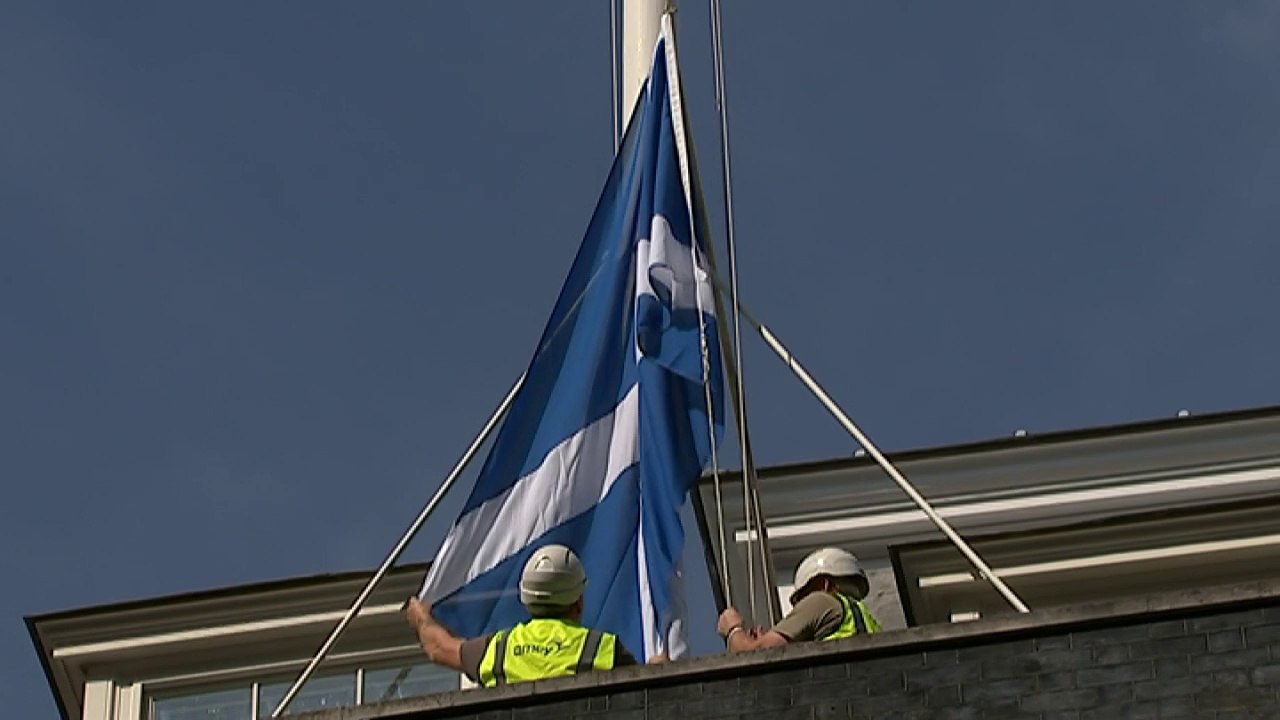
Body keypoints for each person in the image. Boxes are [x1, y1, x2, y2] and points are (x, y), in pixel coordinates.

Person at [405, 544, 638, 685]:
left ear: (526, 601)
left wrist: (421, 617)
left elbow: (439, 648)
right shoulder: (603, 648)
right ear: (578, 602)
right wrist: (659, 669)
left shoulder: (498, 650)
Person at [717, 547, 882, 652]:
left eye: (802, 599)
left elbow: (753, 655)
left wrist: (733, 629)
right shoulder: (866, 620)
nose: (800, 607)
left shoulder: (822, 601)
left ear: (823, 584)